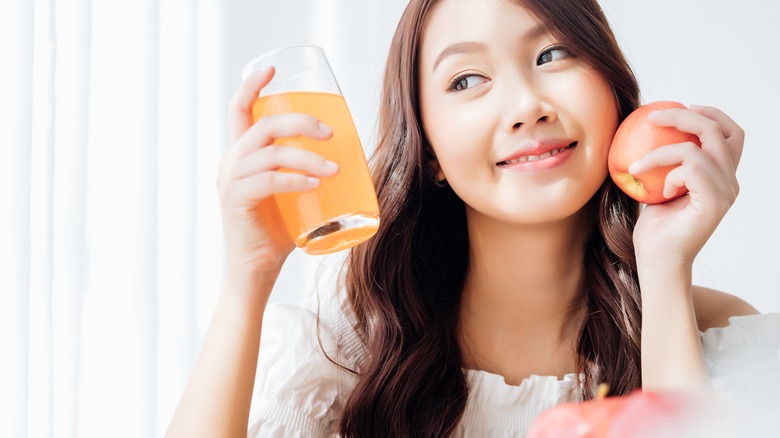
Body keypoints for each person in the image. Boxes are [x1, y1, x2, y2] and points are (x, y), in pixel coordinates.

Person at [166, 0, 780, 436]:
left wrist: (665, 266)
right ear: (429, 151)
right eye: (466, 79)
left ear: (614, 92)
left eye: (552, 53)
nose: (524, 106)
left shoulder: (716, 338)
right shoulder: (347, 353)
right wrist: (249, 277)